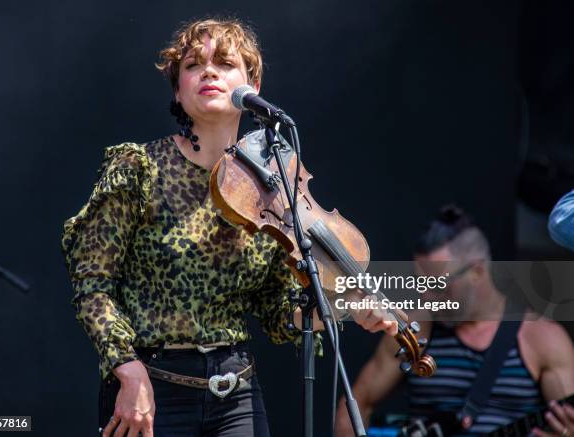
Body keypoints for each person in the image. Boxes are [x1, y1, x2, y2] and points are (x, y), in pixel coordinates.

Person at [61, 18, 397, 437]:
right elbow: (92, 283)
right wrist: (127, 370)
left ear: (252, 85)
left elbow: (277, 311)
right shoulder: (140, 168)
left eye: (224, 62)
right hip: (151, 387)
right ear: (178, 90)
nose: (209, 72)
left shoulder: (271, 190)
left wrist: (341, 306)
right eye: (193, 65)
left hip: (235, 391)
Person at [335, 205, 574, 437]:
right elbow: (354, 406)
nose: (426, 296)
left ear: (477, 272)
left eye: (437, 284)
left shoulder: (543, 338)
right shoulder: (415, 329)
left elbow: (568, 423)